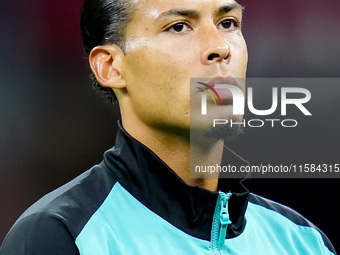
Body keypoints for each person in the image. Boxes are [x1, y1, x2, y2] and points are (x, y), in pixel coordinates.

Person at [0, 0, 336, 254]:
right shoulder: (61, 236)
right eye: (178, 27)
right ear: (111, 67)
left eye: (228, 22)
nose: (219, 47)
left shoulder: (301, 242)